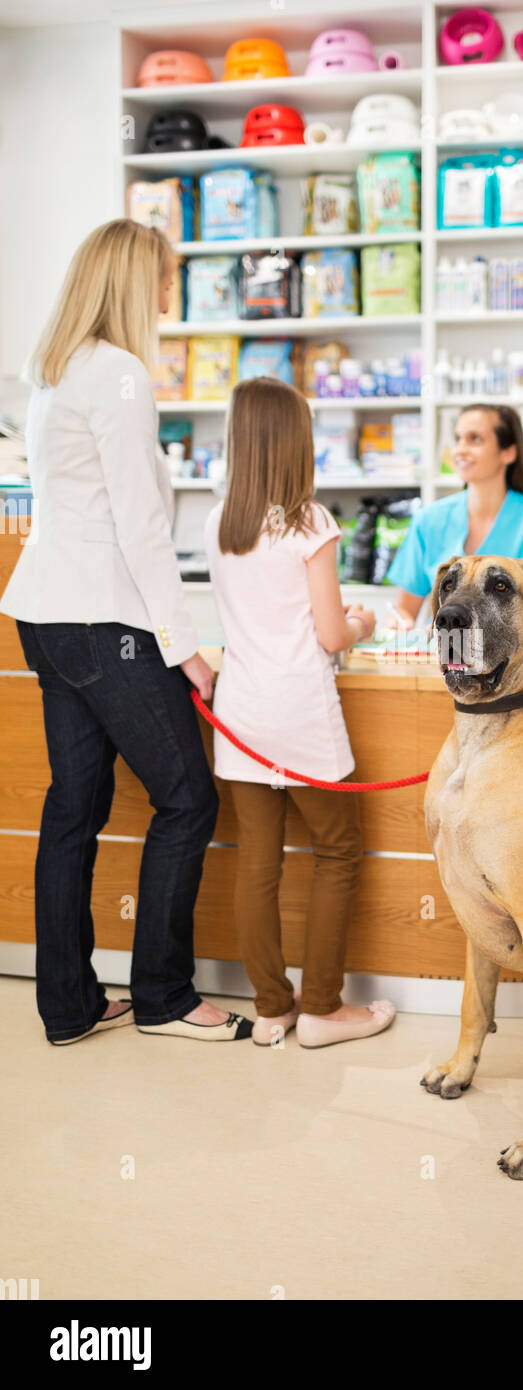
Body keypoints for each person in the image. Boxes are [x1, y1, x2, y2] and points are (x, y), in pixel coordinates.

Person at [0, 218, 251, 1044]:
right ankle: (166, 996)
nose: (172, 294)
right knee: (187, 797)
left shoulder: (54, 372)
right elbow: (142, 525)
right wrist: (186, 647)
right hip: (104, 620)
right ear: (132, 284)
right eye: (165, 279)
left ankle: (68, 1005)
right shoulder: (119, 374)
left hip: (45, 616)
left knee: (74, 805)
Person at [203, 376, 397, 1048]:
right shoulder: (309, 521)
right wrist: (363, 622)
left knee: (257, 862)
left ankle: (270, 1008)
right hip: (301, 713)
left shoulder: (217, 522)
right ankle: (322, 1008)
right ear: (297, 442)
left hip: (242, 713)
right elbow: (330, 635)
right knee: (337, 850)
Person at [386, 403, 523, 625]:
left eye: (475, 439)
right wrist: (400, 624)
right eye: (458, 439)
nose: (460, 450)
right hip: (438, 655)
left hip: (508, 657)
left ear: (508, 452)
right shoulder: (429, 520)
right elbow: (404, 609)